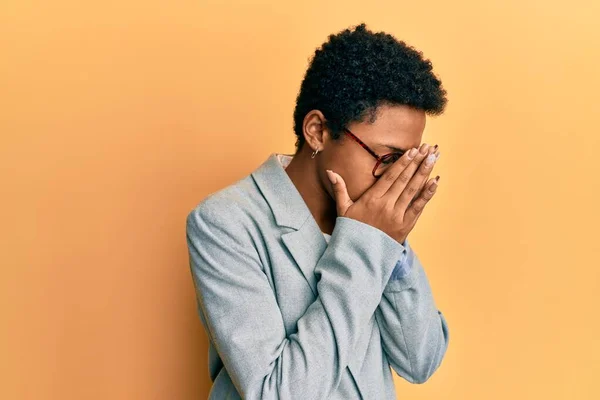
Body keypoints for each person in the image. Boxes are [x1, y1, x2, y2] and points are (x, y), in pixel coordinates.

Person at [185, 23, 450, 400]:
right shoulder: (225, 223)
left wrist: (394, 247)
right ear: (317, 131)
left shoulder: (377, 219)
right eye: (388, 157)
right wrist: (365, 246)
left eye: (409, 160)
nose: (398, 179)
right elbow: (277, 393)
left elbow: (420, 362)